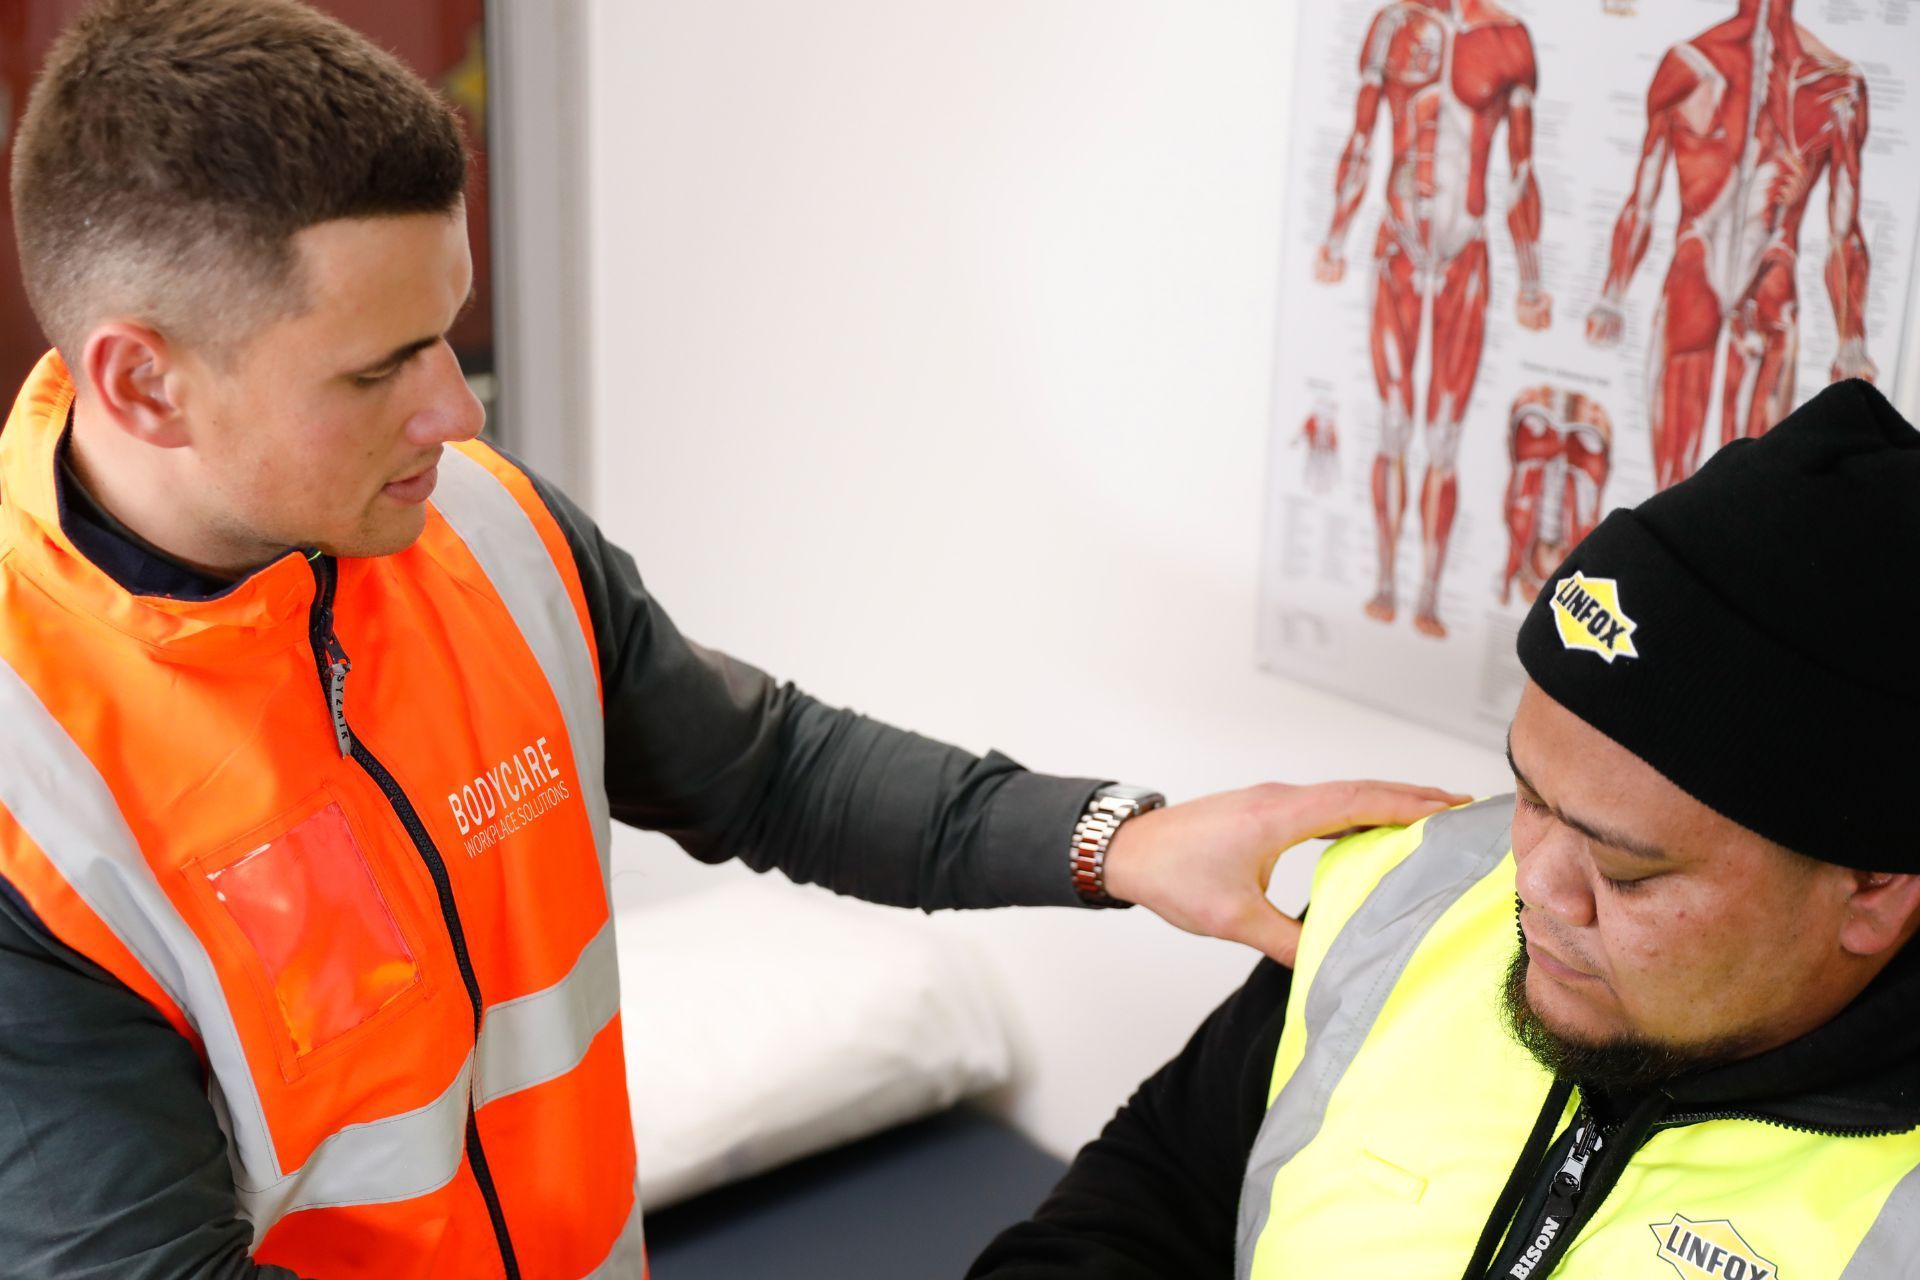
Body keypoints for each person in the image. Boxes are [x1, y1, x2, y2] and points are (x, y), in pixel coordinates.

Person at [0, 2, 1462, 1277]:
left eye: (451, 333)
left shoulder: (486, 532)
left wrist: (1119, 842)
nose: (462, 411)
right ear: (144, 383)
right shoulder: (35, 794)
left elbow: (760, 769)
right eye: (382, 367)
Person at [971, 378, 1920, 1279]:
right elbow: (1155, 1191)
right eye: (1530, 796)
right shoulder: (1404, 898)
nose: (1533, 888)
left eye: (1626, 872)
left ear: (1875, 886)